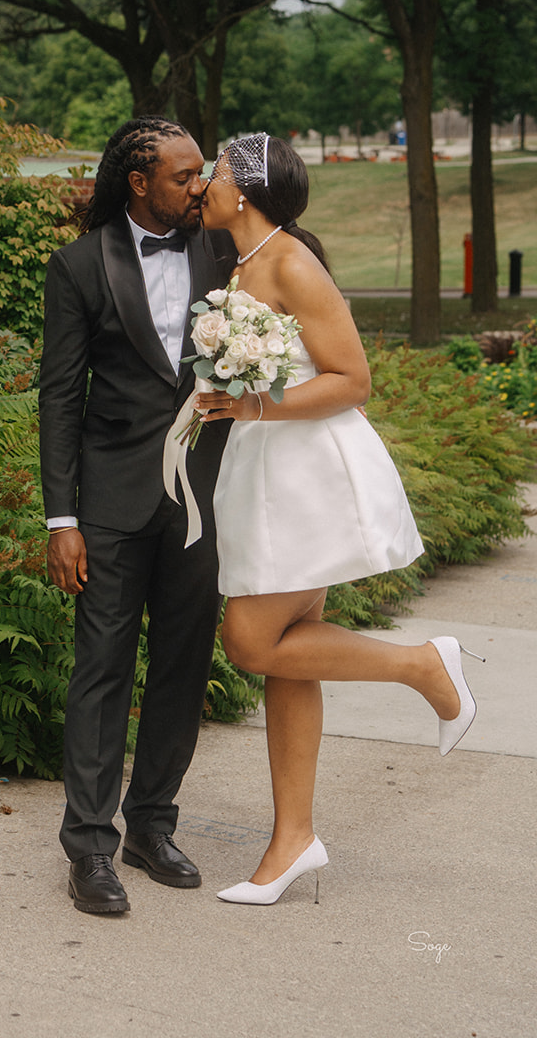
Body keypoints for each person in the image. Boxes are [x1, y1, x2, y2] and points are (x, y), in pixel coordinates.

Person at [195, 133, 482, 906]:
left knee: (251, 641)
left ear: (246, 191)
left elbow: (353, 380)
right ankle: (293, 840)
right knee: (291, 658)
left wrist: (250, 402)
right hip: (263, 468)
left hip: (305, 474)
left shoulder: (291, 262)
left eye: (216, 173)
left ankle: (425, 665)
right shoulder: (243, 264)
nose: (204, 184)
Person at [40, 117, 237, 915]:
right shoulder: (79, 266)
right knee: (101, 672)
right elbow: (60, 398)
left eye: (203, 173)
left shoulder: (225, 256)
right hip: (113, 505)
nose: (201, 186)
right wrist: (62, 520)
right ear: (139, 182)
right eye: (186, 176)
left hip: (200, 501)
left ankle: (151, 824)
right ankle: (88, 848)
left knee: (184, 668)